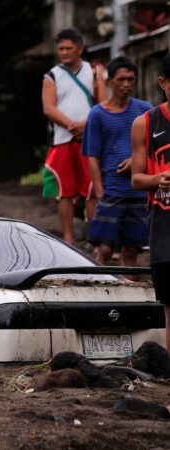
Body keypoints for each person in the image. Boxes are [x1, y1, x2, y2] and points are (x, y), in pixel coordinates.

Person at [83, 57, 152, 267]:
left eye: (131, 79)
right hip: (112, 189)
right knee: (104, 248)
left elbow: (156, 146)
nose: (126, 84)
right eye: (121, 79)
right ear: (110, 81)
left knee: (132, 249)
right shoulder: (97, 114)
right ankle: (98, 291)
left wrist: (137, 160)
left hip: (139, 189)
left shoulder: (145, 109)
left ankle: (130, 294)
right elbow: (91, 156)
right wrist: (100, 191)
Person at [41, 28, 106, 244]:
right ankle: (68, 238)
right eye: (61, 48)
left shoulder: (95, 71)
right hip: (61, 140)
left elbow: (103, 103)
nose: (64, 52)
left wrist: (86, 124)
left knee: (91, 190)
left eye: (69, 48)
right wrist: (71, 125)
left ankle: (92, 238)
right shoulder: (52, 75)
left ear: (80, 48)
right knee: (65, 192)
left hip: (90, 139)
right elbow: (48, 108)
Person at [131, 52, 170, 355]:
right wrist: (159, 180)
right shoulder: (146, 123)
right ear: (163, 83)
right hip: (164, 228)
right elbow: (136, 178)